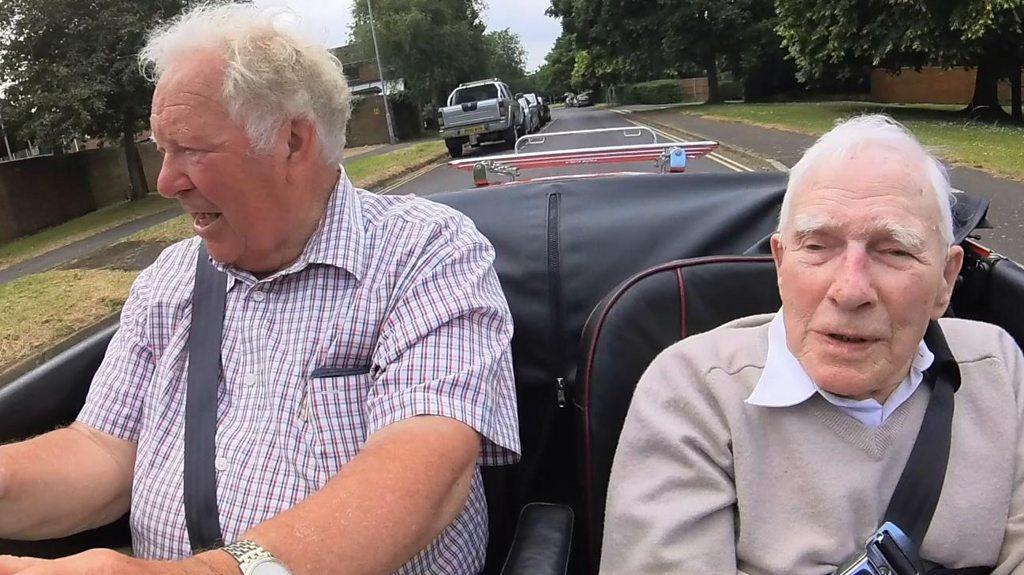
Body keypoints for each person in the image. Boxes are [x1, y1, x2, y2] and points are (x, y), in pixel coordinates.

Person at [0, 4, 519, 574]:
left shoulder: (427, 254)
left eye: (192, 149)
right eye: (161, 150)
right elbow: (101, 452)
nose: (167, 181)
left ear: (293, 142)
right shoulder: (170, 281)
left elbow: (425, 472)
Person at [600, 115, 1024, 574]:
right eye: (818, 246)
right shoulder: (692, 394)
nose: (850, 289)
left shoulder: (998, 365)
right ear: (781, 264)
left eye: (894, 250)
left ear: (946, 279)